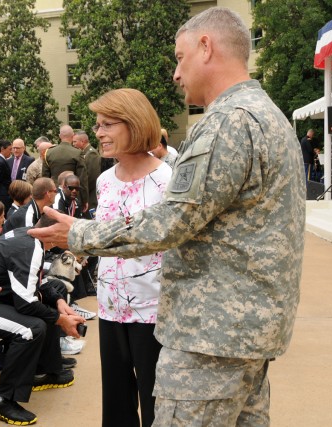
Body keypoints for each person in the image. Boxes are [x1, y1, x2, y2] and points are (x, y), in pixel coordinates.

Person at [29, 7, 305, 426]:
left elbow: (170, 221)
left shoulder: (227, 122)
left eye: (179, 57)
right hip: (246, 331)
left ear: (206, 47)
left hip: (210, 336)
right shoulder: (269, 116)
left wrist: (80, 233)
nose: (176, 74)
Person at [89, 88, 172, 427]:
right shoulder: (104, 181)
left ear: (135, 124)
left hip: (155, 309)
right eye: (97, 125)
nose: (99, 133)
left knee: (158, 405)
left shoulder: (169, 180)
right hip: (109, 307)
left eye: (108, 124)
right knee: (117, 406)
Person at [0, 218, 85, 426]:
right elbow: (26, 303)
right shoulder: (29, 246)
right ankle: (1, 401)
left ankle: (44, 371)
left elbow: (36, 282)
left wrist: (60, 302)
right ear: (52, 232)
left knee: (49, 308)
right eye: (69, 232)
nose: (73, 238)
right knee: (31, 329)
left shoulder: (31, 237)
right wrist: (61, 320)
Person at [43, 125, 89, 208]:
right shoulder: (77, 153)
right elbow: (82, 179)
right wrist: (84, 200)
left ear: (60, 136)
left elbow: (45, 178)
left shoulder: (48, 153)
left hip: (54, 194)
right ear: (73, 136)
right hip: (72, 195)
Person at [73, 131, 101, 211]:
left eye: (75, 141)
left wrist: (83, 193)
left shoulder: (91, 153)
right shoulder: (84, 153)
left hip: (90, 196)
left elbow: (92, 177)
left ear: (82, 141)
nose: (73, 144)